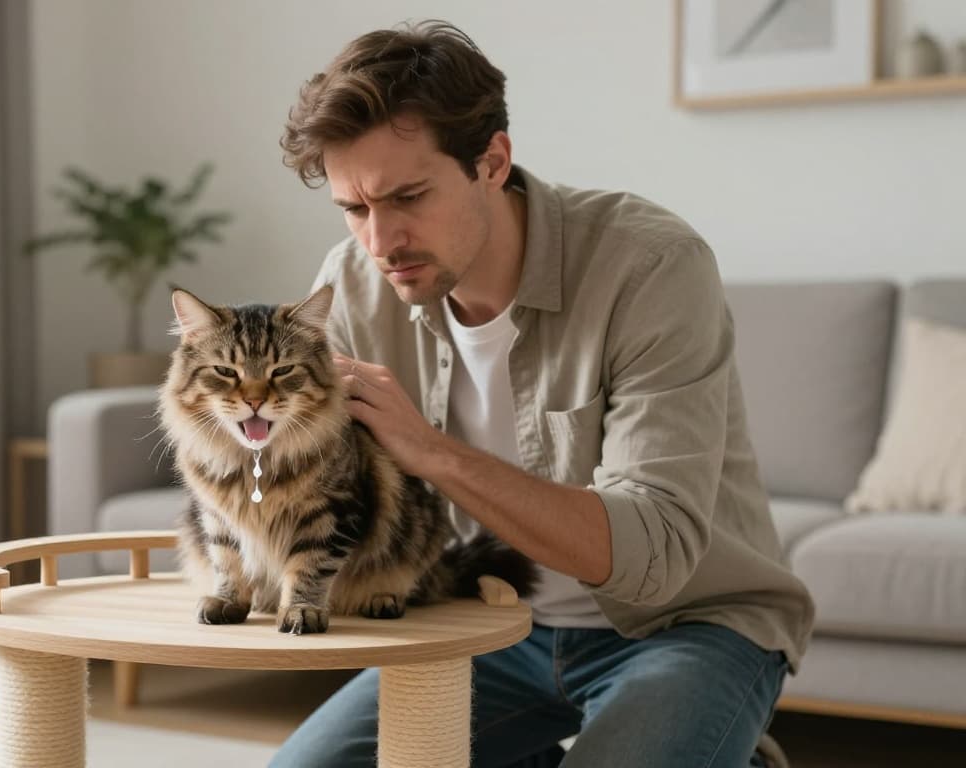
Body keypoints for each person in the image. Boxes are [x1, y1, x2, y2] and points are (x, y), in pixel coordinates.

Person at [270, 20, 815, 768]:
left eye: (409, 197)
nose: (379, 241)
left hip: (686, 623)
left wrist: (431, 452)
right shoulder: (357, 284)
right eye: (354, 208)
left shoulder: (651, 266)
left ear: (492, 161)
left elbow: (653, 552)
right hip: (487, 622)